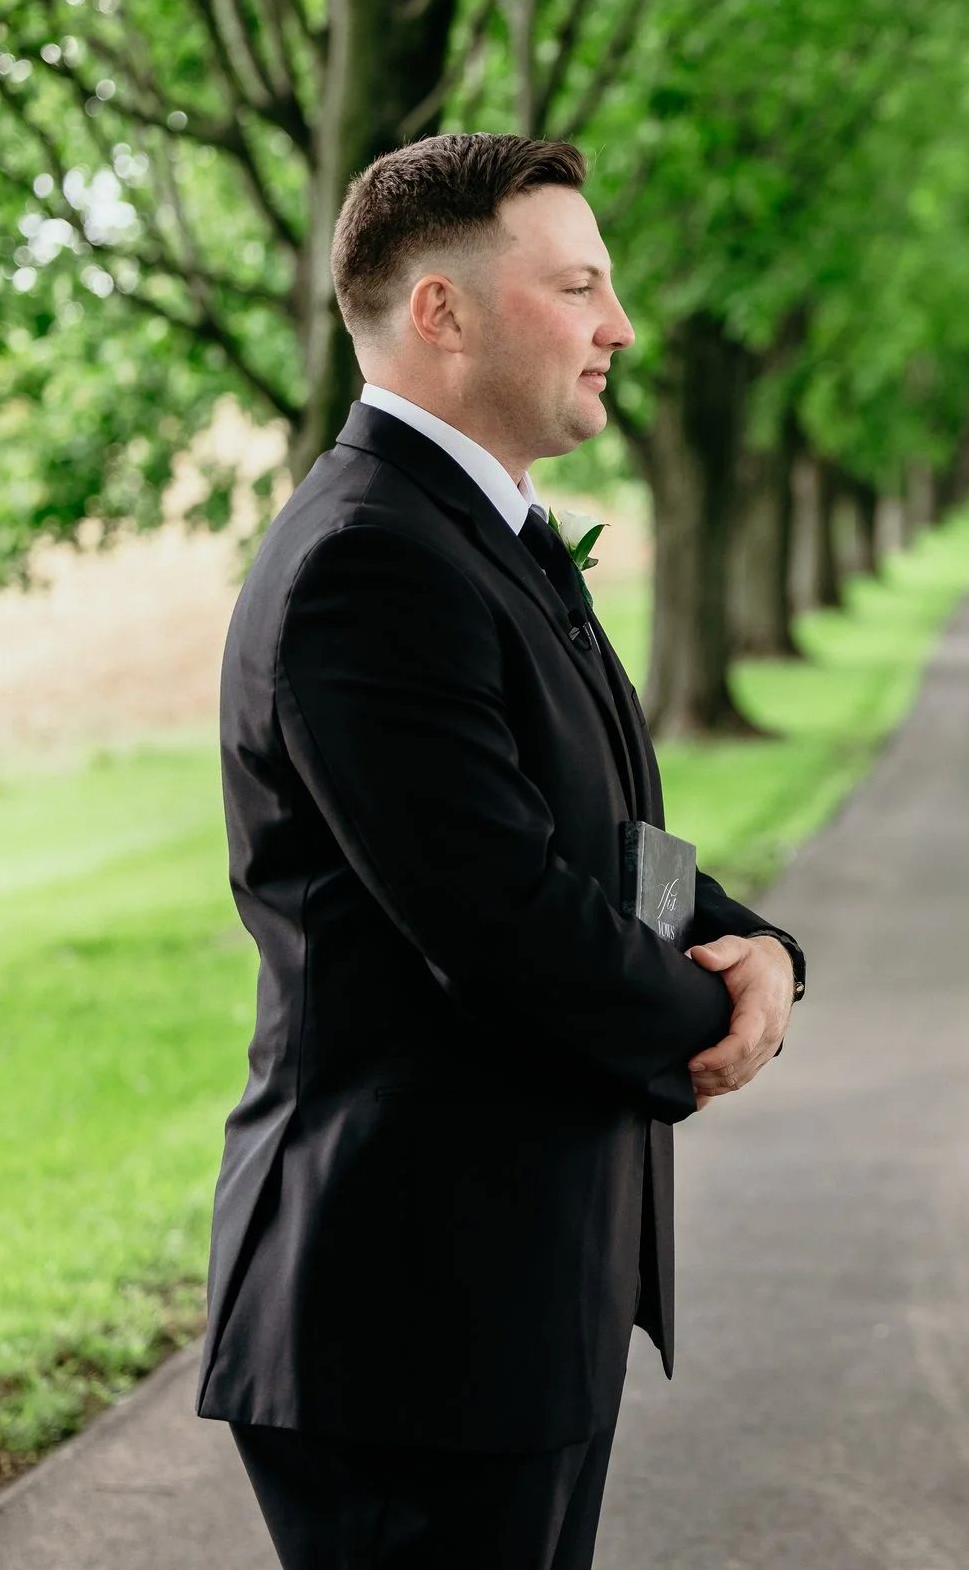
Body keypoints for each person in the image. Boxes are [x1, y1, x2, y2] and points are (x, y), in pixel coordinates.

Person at [198, 133, 806, 1570]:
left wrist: (762, 948)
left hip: (507, 1297)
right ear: (441, 313)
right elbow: (506, 925)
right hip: (410, 1311)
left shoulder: (480, 531)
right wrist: (718, 1015)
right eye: (579, 287)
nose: (621, 327)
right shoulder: (369, 562)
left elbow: (607, 846)